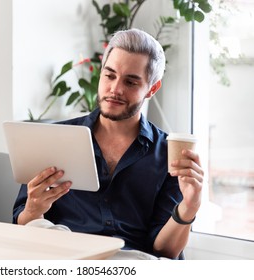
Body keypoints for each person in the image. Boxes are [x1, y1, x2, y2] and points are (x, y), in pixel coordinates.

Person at [12, 28, 204, 259]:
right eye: (110, 75)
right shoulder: (55, 137)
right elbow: (23, 223)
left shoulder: (167, 155)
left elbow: (165, 251)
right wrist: (33, 209)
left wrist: (190, 206)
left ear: (152, 88)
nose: (115, 89)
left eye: (131, 82)